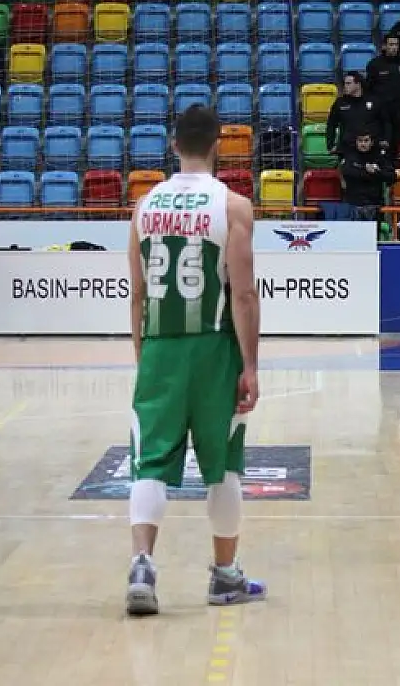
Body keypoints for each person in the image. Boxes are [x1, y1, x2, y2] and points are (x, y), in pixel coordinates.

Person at [124, 106, 265, 616]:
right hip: (213, 347)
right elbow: (243, 294)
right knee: (222, 465)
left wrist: (145, 355)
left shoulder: (144, 207)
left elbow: (138, 293)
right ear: (218, 145)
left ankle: (142, 566)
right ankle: (225, 575)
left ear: (173, 144)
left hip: (161, 344)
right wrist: (250, 365)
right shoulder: (233, 206)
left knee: (150, 461)